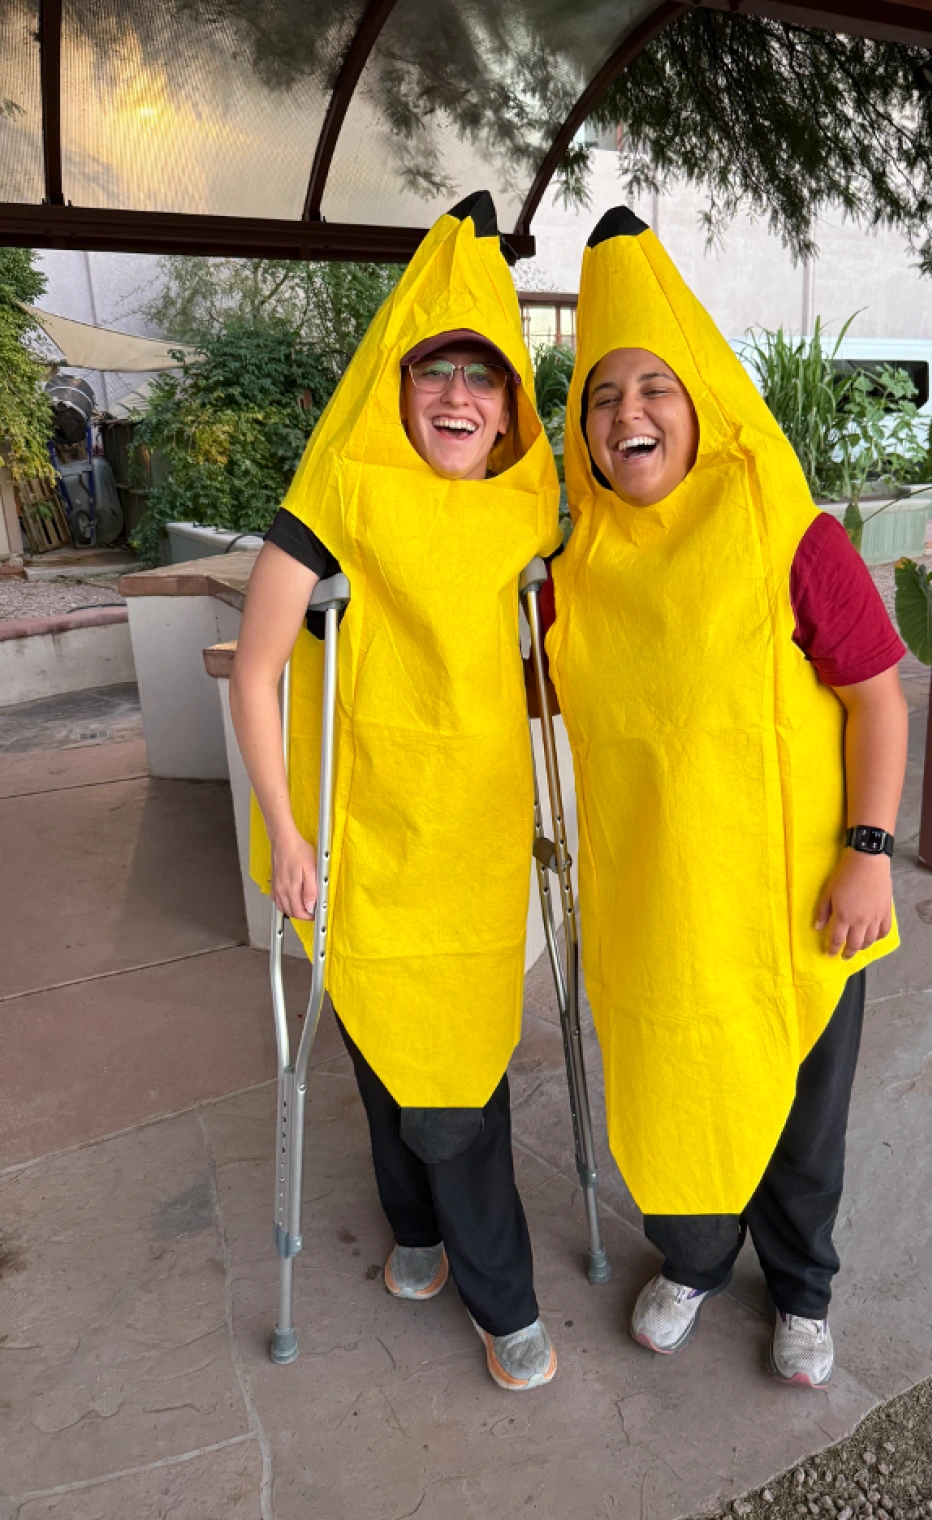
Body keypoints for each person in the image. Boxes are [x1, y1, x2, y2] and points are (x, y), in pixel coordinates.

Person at [542, 207, 908, 1388]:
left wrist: (869, 847)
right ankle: (694, 1261)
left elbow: (877, 696)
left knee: (804, 1127)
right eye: (602, 395)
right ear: (581, 430)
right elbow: (507, 692)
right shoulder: (573, 571)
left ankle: (801, 1291)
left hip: (802, 899)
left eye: (654, 385)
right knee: (670, 1086)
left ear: (701, 400)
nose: (628, 413)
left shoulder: (787, 534)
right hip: (657, 906)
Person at [230, 192, 562, 1393]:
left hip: (473, 848)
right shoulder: (339, 495)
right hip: (365, 841)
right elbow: (261, 668)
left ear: (509, 396)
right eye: (436, 371)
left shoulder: (534, 505)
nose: (459, 397)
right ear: (400, 381)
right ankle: (425, 1239)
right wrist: (285, 827)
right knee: (383, 1058)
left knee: (458, 1084)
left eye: (484, 375)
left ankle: (491, 1281)